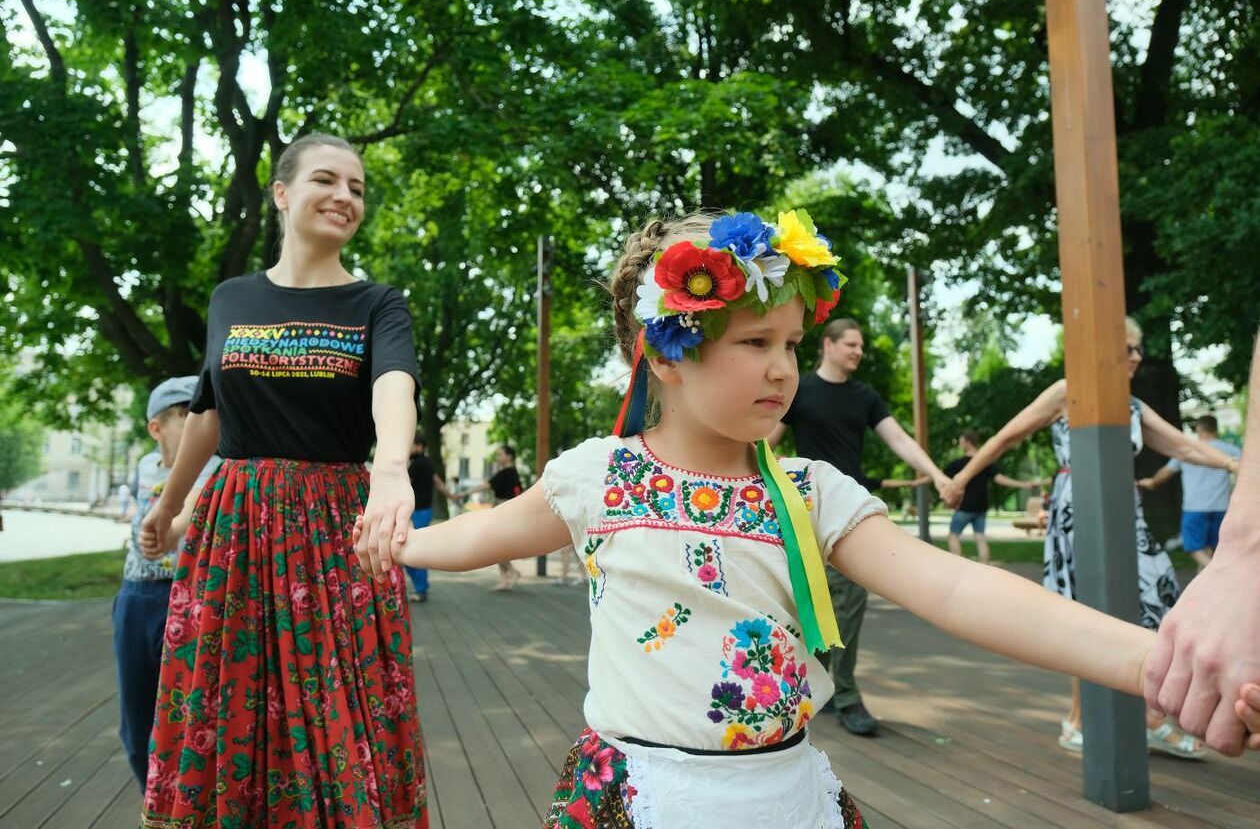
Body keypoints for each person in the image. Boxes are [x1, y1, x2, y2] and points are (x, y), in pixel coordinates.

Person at [355, 210, 1257, 827]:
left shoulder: (811, 489)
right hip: (643, 794)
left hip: (783, 791)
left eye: (790, 342)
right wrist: (397, 538)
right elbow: (483, 536)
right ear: (661, 356)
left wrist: (1159, 663)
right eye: (755, 343)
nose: (784, 367)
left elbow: (955, 584)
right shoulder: (603, 476)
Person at [138, 134, 427, 827]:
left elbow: (395, 384)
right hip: (232, 536)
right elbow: (209, 414)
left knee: (339, 709)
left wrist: (390, 467)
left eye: (357, 187)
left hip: (336, 536)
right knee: (224, 700)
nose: (344, 196)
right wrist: (170, 507)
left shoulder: (377, 303)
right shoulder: (229, 299)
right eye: (327, 179)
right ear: (281, 193)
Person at [942, 317, 1239, 759]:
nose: (1137, 357)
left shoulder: (1132, 404)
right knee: (1090, 611)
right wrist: (961, 478)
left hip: (1125, 510)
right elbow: (1007, 436)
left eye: (1139, 349)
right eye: (1128, 348)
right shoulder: (1068, 390)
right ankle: (1099, 720)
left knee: (1158, 599)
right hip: (1078, 509)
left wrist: (1238, 467)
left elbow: (1185, 446)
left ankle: (1141, 716)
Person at [768, 317, 951, 736]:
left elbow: (899, 440)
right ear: (828, 345)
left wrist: (937, 474)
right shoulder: (801, 392)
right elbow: (765, 442)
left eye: (861, 347)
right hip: (804, 511)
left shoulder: (864, 396)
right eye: (851, 344)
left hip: (851, 515)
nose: (859, 352)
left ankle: (845, 694)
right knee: (808, 604)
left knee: (850, 605)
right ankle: (821, 684)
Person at [1145, 331, 1260, 756]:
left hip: (1198, 510)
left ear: (1199, 429)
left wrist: (1243, 553)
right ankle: (1214, 572)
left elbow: (1170, 467)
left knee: (1204, 556)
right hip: (1222, 510)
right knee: (1210, 562)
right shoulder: (1230, 447)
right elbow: (1238, 467)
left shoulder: (1192, 446)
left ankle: (1214, 568)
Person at [113, 376, 221, 791]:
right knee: (137, 723)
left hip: (193, 597)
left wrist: (172, 527)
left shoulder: (215, 464)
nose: (201, 427)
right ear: (157, 428)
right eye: (185, 418)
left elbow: (193, 505)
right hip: (138, 599)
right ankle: (154, 803)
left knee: (193, 718)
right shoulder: (145, 465)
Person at [1138, 414, 1240, 572]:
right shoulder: (1229, 450)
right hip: (1221, 507)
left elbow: (1167, 471)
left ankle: (1220, 572)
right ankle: (1205, 590)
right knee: (1209, 550)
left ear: (1199, 428)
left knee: (1194, 547)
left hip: (1195, 507)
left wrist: (1152, 482)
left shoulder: (1188, 450)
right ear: (1215, 429)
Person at [943, 429, 1046, 564]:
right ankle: (985, 568)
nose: (960, 445)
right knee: (980, 537)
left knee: (953, 535)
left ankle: (957, 566)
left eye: (961, 441)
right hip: (981, 506)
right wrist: (1023, 484)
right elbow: (999, 478)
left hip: (965, 506)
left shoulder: (959, 463)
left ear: (968, 442)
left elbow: (942, 477)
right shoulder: (985, 461)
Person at [456, 444, 524, 591]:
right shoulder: (510, 473)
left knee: (496, 546)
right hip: (502, 510)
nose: (498, 458)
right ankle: (506, 578)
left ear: (509, 456)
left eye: (500, 455)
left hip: (503, 511)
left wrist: (466, 492)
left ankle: (511, 573)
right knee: (496, 545)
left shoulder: (508, 473)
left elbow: (486, 485)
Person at [404, 432, 460, 602]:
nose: (408, 447)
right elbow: (437, 482)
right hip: (424, 511)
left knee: (412, 551)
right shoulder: (427, 464)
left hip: (418, 512)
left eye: (411, 444)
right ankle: (421, 587)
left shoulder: (416, 465)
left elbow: (402, 482)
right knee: (412, 551)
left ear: (419, 446)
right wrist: (451, 496)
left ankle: (421, 590)